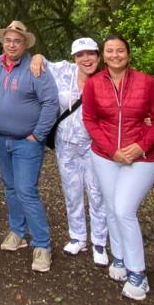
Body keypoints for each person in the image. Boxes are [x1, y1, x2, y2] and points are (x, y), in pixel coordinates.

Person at [82, 34, 154, 301]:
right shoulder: (94, 84)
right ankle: (118, 257)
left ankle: (137, 273)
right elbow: (90, 119)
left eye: (120, 50)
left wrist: (141, 146)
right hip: (105, 155)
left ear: (128, 54)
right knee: (110, 207)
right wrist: (112, 150)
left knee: (124, 209)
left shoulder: (146, 82)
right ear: (103, 56)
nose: (115, 55)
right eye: (109, 51)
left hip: (140, 158)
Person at [0, 20, 59, 273]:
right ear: (2, 41)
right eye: (8, 40)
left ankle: (42, 244)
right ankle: (17, 232)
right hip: (0, 139)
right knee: (10, 187)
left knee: (27, 190)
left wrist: (38, 135)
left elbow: (51, 103)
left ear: (25, 43)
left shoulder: (36, 67)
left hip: (26, 142)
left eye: (17, 40)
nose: (12, 44)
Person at [37, 37, 110, 264]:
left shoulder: (107, 79)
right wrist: (37, 56)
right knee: (72, 192)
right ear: (74, 58)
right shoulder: (64, 71)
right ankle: (77, 236)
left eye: (90, 54)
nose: (86, 59)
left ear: (98, 56)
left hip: (95, 145)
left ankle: (99, 242)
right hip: (65, 144)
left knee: (97, 193)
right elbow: (41, 61)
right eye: (80, 55)